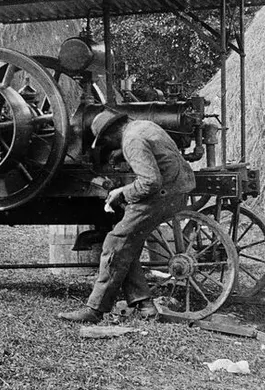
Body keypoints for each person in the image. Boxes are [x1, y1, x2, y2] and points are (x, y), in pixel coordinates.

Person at [57, 109, 197, 324]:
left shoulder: (131, 141)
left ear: (110, 135)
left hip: (162, 195)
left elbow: (150, 182)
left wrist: (122, 192)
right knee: (128, 244)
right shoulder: (145, 126)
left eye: (107, 142)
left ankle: (95, 309)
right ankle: (144, 304)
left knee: (115, 243)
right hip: (179, 189)